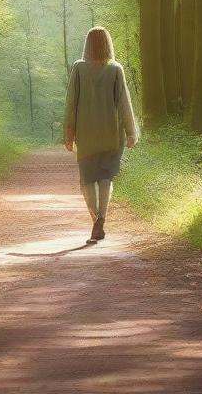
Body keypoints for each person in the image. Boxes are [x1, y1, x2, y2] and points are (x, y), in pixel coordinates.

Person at [63, 26, 138, 242]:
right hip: (111, 136)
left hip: (86, 136)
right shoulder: (116, 69)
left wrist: (69, 134)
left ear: (87, 44)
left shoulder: (78, 68)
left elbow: (71, 103)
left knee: (87, 180)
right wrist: (131, 132)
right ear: (108, 44)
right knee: (105, 178)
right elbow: (125, 103)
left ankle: (95, 219)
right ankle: (101, 219)